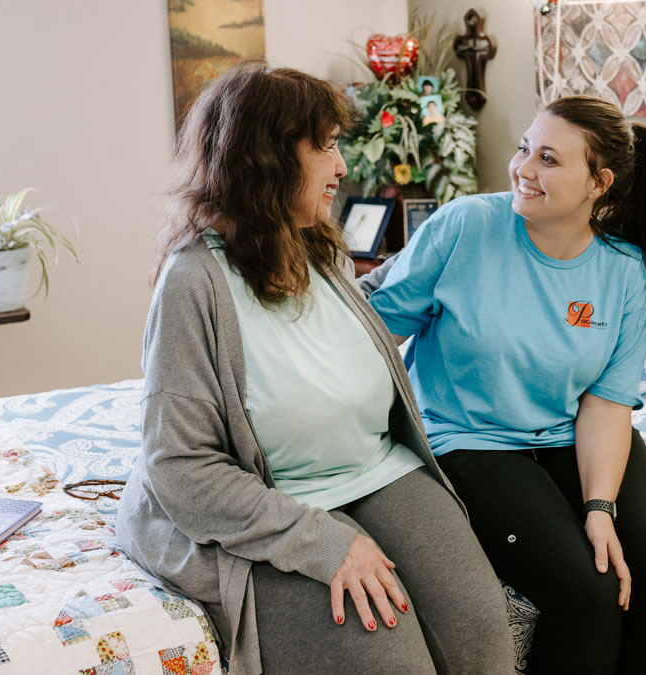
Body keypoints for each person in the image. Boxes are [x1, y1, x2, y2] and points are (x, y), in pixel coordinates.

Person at [116, 62, 514, 675]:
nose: (343, 166)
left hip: (376, 468)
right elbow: (181, 466)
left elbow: (361, 326)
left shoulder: (316, 247)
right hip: (277, 499)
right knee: (390, 659)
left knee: (482, 630)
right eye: (326, 146)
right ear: (269, 158)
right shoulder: (193, 282)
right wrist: (328, 543)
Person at [362, 96, 646, 674]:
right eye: (525, 148)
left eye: (548, 158)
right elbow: (373, 332)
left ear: (600, 182)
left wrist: (600, 507)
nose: (523, 168)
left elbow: (606, 401)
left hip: (574, 434)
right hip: (471, 441)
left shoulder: (623, 270)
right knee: (588, 596)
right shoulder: (467, 227)